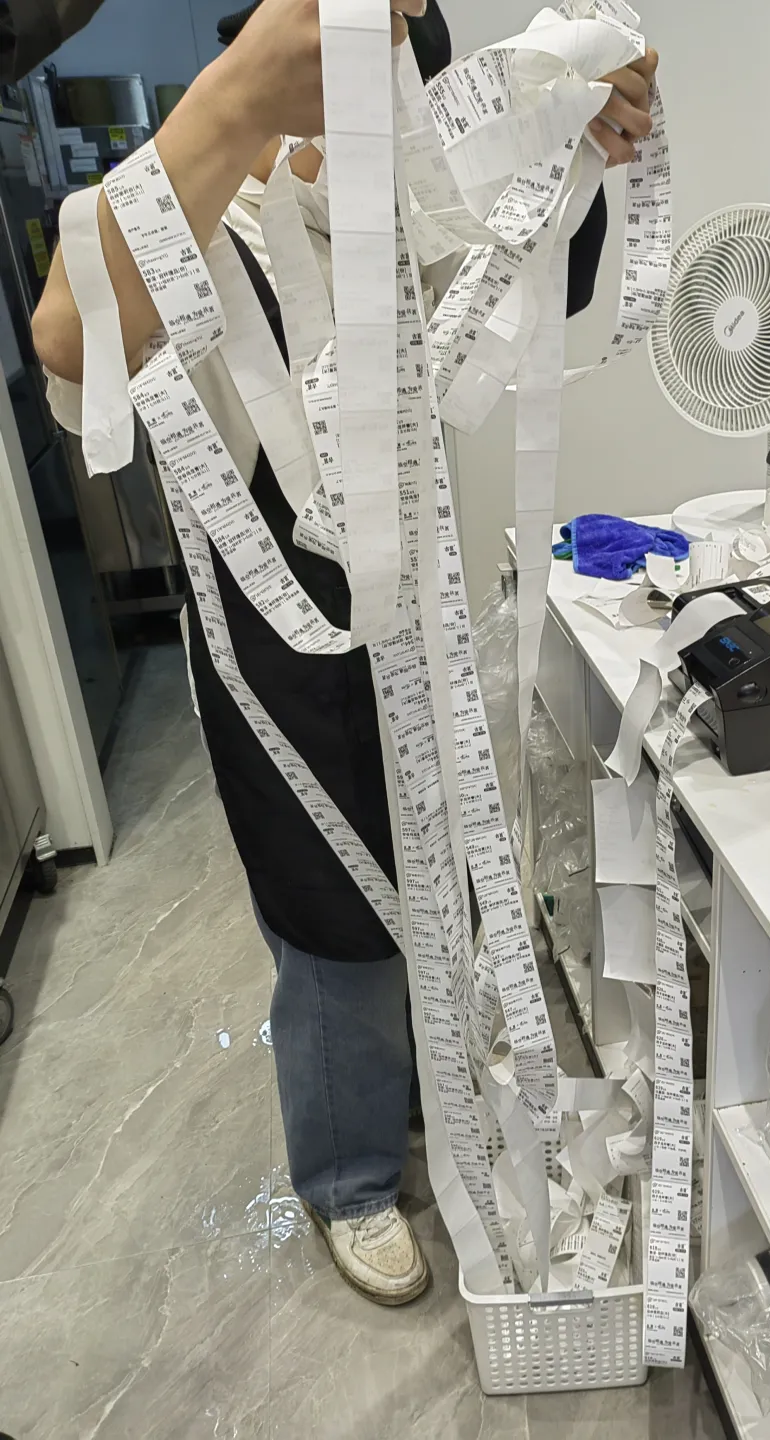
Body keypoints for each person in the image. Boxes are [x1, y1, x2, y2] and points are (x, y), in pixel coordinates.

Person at [32, 0, 659, 1307]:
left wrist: (575, 150)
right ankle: (349, 1176)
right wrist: (234, 102)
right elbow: (73, 346)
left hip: (413, 622)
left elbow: (532, 285)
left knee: (441, 881)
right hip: (278, 632)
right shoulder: (208, 205)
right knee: (330, 921)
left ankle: (425, 1095)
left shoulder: (404, 213)